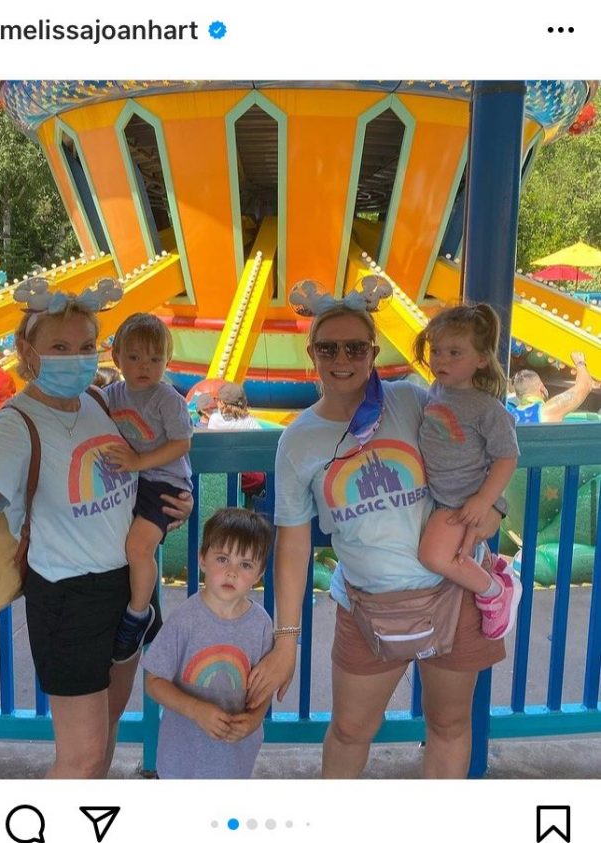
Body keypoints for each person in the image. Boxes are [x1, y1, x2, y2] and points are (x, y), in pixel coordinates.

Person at [0, 278, 191, 778]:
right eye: (59, 347)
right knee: (80, 757)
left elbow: (139, 468)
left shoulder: (98, 402)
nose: (75, 358)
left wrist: (174, 504)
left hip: (127, 588)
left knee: (109, 724)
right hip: (68, 599)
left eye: (86, 346)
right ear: (27, 350)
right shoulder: (13, 426)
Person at [246, 277, 508, 780]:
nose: (342, 358)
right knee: (349, 730)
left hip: (452, 593)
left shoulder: (413, 400)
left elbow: (486, 445)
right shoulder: (298, 441)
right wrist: (285, 640)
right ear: (312, 354)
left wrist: (496, 506)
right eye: (328, 348)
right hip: (367, 607)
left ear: (373, 351)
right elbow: (294, 543)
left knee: (450, 724)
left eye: (355, 347)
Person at [413, 304, 521, 639]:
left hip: (461, 503)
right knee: (445, 556)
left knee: (433, 556)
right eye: (436, 351)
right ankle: (491, 569)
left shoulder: (486, 407)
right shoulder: (436, 391)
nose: (441, 360)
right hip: (441, 498)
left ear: (482, 359)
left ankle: (496, 592)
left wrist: (484, 501)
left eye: (454, 353)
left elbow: (507, 456)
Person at [142, 507, 274, 779]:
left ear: (259, 573)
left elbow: (264, 688)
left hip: (235, 761)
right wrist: (196, 710)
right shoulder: (184, 619)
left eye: (245, 565)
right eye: (222, 559)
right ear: (202, 559)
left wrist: (254, 720)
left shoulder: (262, 624)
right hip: (181, 761)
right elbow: (153, 682)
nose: (231, 572)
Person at [100, 313, 193, 663]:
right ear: (117, 357)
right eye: (135, 357)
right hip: (133, 482)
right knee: (124, 545)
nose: (145, 366)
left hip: (163, 483)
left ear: (167, 360)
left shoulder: (167, 399)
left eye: (155, 359)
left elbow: (181, 443)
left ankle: (138, 615)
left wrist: (139, 461)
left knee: (138, 548)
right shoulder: (110, 395)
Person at [508, 353, 597, 423]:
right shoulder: (546, 411)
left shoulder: (509, 418)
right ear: (542, 389)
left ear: (518, 395)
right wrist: (580, 362)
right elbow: (585, 386)